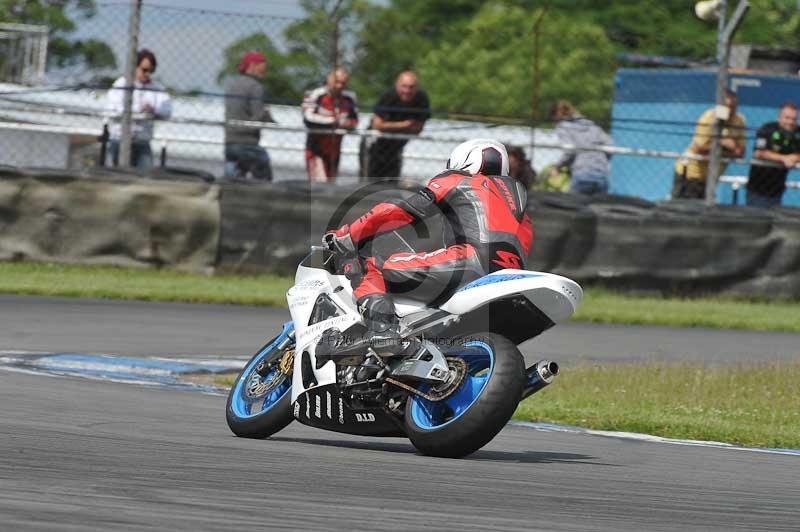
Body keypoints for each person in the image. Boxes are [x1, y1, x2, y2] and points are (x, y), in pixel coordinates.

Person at [324, 139, 532, 349]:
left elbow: (401, 211)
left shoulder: (458, 179)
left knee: (370, 265)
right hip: (512, 276)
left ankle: (382, 331)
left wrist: (350, 234)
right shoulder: (519, 203)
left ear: (464, 159)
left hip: (471, 262)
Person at [105, 49, 172, 169]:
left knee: (145, 176)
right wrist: (138, 110)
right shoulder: (121, 84)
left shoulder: (156, 88)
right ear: (135, 67)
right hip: (120, 139)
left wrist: (153, 110)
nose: (148, 74)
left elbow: (167, 110)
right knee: (118, 175)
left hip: (142, 140)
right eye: (144, 70)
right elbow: (112, 109)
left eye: (151, 71)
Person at [673, 89, 746, 200]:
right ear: (719, 106)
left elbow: (740, 153)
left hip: (711, 178)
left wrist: (717, 153)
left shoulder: (739, 121)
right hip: (692, 174)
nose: (731, 111)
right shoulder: (709, 118)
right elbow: (698, 149)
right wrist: (722, 142)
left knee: (704, 211)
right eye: (727, 107)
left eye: (734, 107)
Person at [360, 70, 431, 181]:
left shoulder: (421, 99)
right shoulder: (388, 97)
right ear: (397, 85)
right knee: (368, 184)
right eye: (404, 86)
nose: (407, 91)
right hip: (374, 146)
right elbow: (377, 125)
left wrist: (390, 127)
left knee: (391, 185)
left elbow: (418, 128)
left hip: (396, 148)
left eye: (411, 87)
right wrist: (405, 125)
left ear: (416, 87)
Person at [224, 51, 274, 181]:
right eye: (262, 67)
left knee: (232, 181)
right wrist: (267, 116)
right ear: (252, 65)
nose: (265, 70)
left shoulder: (232, 85)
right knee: (263, 175)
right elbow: (257, 116)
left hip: (230, 141)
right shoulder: (255, 87)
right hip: (247, 143)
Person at [302, 68, 358, 183]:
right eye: (336, 82)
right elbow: (307, 117)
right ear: (328, 79)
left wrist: (347, 124)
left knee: (330, 184)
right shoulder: (316, 94)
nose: (339, 86)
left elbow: (354, 120)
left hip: (335, 150)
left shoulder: (350, 97)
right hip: (316, 148)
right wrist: (332, 120)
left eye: (343, 83)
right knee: (318, 183)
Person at [549, 100, 612, 195]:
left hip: (582, 173)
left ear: (556, 115)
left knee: (572, 207)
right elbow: (610, 145)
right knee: (598, 208)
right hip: (601, 174)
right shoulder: (592, 126)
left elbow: (569, 151)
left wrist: (557, 167)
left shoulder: (563, 127)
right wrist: (599, 161)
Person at [746, 101, 800, 208]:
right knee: (758, 221)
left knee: (773, 221)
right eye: (787, 118)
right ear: (779, 117)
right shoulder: (768, 129)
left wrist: (795, 157)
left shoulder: (797, 133)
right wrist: (783, 158)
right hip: (757, 189)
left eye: (794, 119)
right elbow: (758, 153)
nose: (790, 122)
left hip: (777, 190)